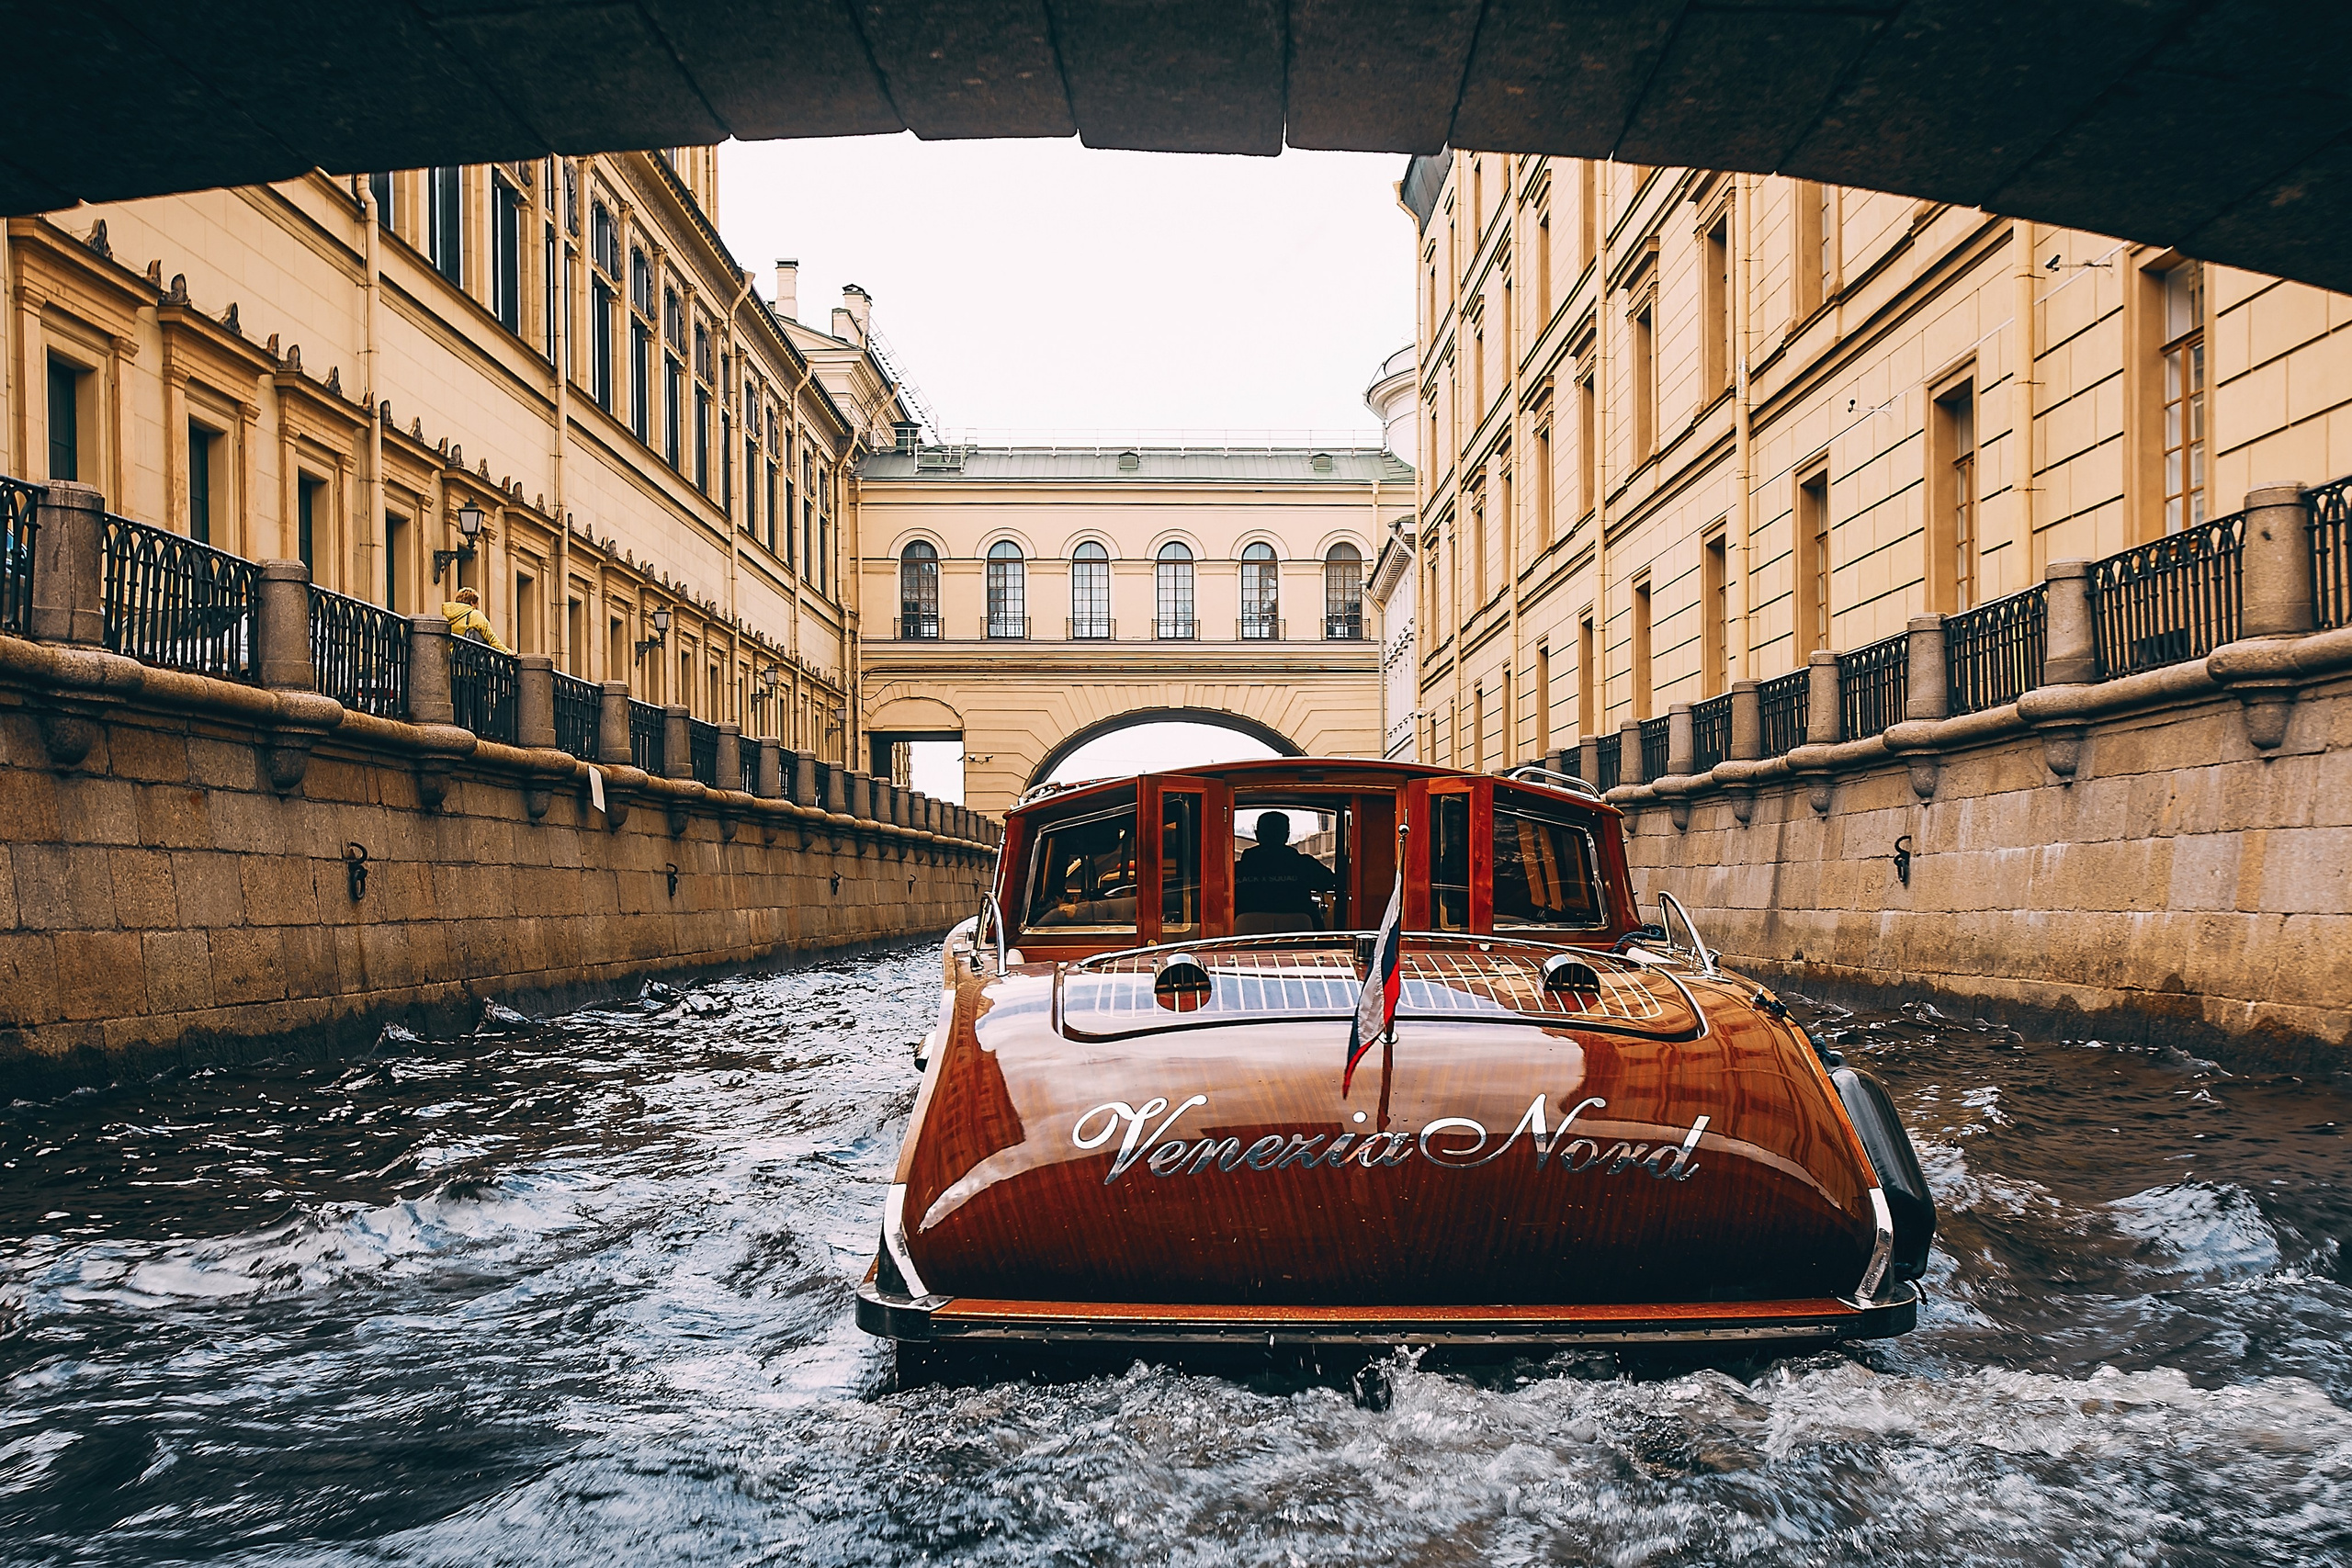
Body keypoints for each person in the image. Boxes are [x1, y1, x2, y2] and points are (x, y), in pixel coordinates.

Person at [1234, 811, 1337, 929]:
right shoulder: (1305, 865)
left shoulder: (1237, 870)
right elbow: (1332, 883)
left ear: (1257, 835)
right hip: (1300, 935)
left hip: (1245, 937)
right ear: (1286, 836)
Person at [440, 586, 511, 651]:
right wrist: (506, 651)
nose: (477, 607)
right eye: (477, 604)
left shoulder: (448, 616)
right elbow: (491, 638)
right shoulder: (475, 615)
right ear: (472, 603)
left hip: (453, 659)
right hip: (471, 661)